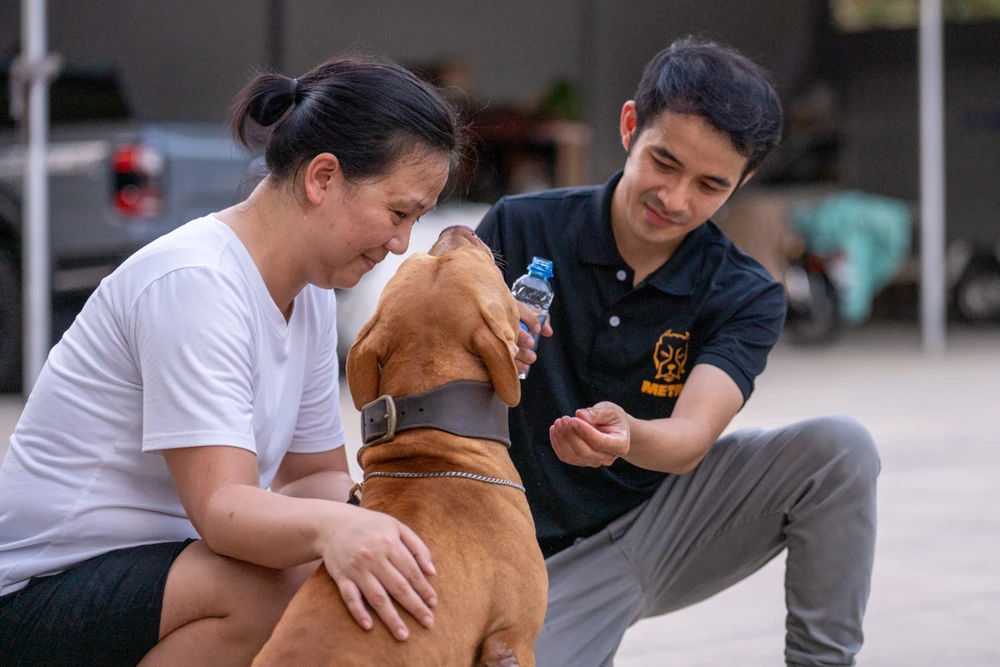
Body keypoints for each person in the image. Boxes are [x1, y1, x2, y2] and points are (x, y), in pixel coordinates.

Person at [0, 55, 464, 666]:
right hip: (39, 596)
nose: (402, 243)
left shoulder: (313, 293)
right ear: (322, 178)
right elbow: (224, 511)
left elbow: (308, 477)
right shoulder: (197, 282)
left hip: (158, 576)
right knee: (271, 586)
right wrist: (338, 532)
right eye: (399, 213)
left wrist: (389, 523)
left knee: (342, 575)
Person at [476, 37, 879, 667]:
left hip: (662, 524)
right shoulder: (518, 229)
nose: (676, 199)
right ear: (631, 126)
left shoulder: (744, 291)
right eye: (664, 163)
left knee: (840, 450)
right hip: (523, 548)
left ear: (743, 180)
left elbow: (692, 436)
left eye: (710, 184)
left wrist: (629, 436)